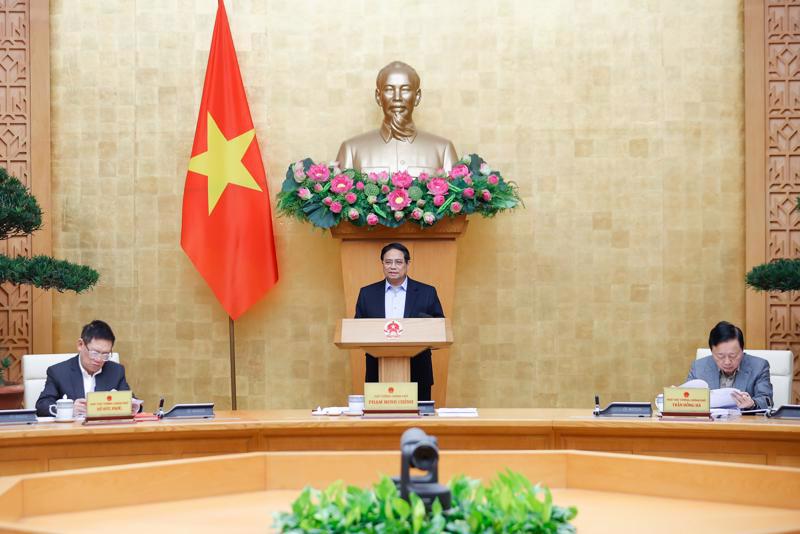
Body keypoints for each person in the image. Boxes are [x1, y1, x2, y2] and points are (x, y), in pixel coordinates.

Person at [355, 242, 444, 401]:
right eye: (388, 262)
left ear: (407, 263)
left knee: (417, 421)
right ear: (382, 263)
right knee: (380, 422)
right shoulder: (367, 294)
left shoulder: (427, 292)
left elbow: (439, 327)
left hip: (418, 370)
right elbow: (357, 329)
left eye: (398, 262)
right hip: (378, 370)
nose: (393, 267)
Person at [336, 61, 459, 176]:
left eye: (405, 89)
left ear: (417, 97)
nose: (397, 97)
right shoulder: (351, 150)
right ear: (378, 97)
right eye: (389, 89)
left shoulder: (443, 150)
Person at [35, 320, 138, 417]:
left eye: (105, 354)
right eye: (94, 353)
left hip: (105, 432)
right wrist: (68, 409)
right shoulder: (58, 372)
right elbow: (42, 406)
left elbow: (132, 401)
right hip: (73, 432)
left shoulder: (116, 371)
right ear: (80, 345)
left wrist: (132, 406)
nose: (99, 359)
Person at [686, 321, 773, 409]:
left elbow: (767, 400)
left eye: (733, 355)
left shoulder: (759, 366)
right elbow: (687, 399)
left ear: (742, 350)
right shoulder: (698, 367)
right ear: (712, 351)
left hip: (743, 421)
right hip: (710, 422)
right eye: (720, 356)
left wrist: (753, 403)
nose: (727, 362)